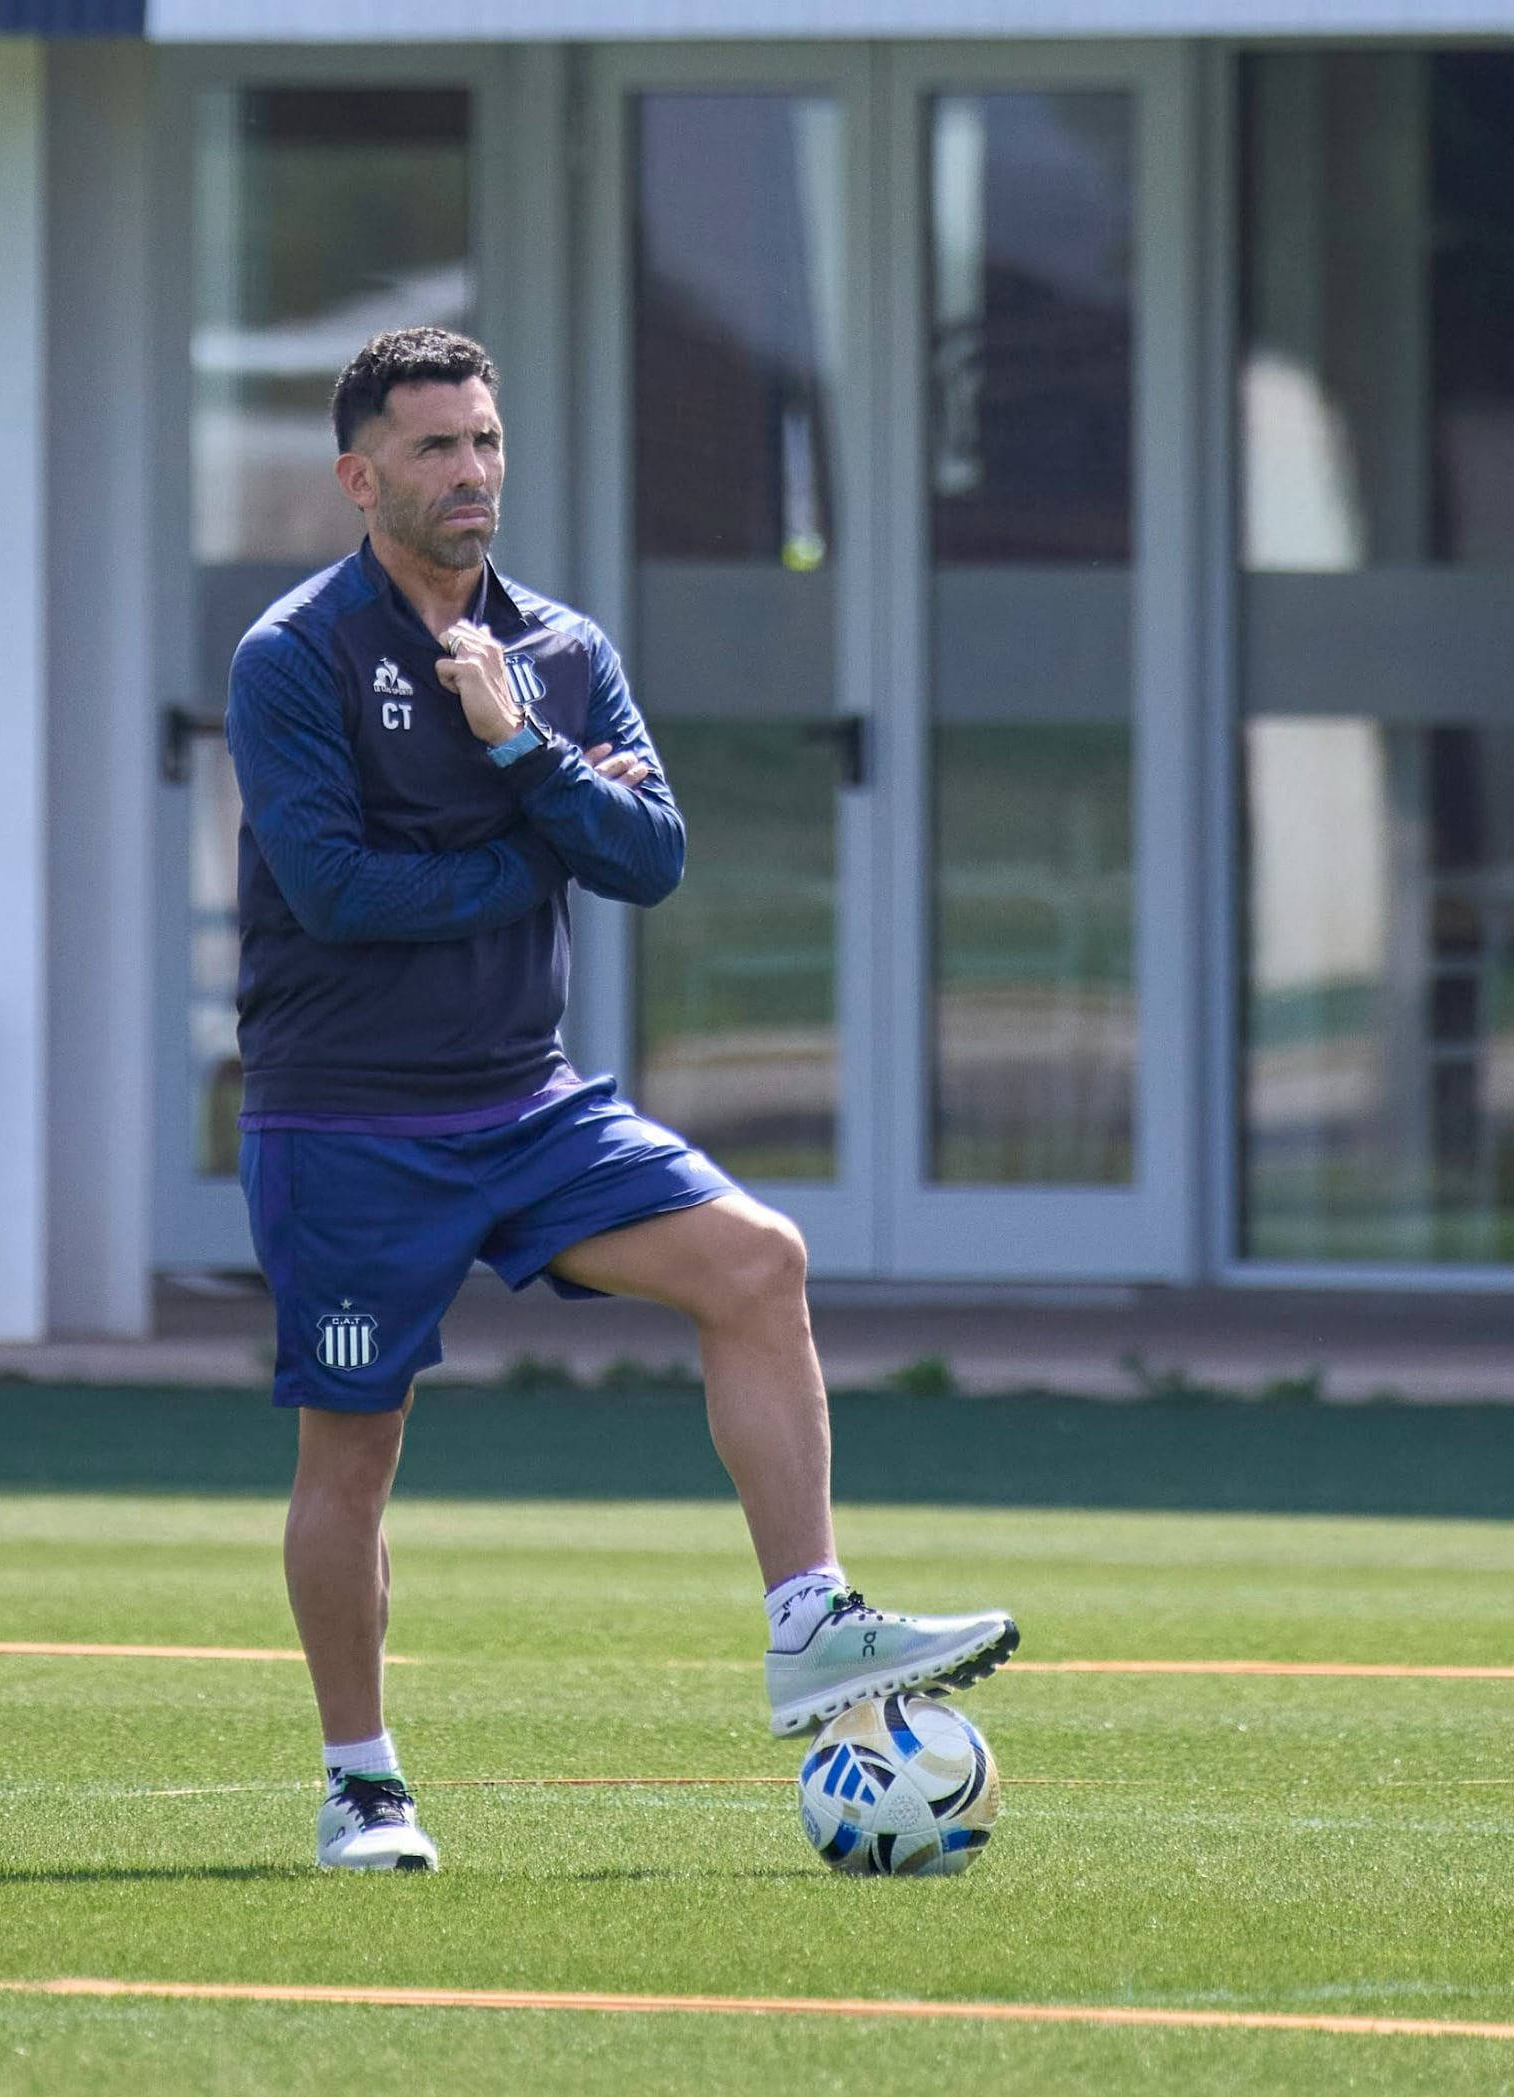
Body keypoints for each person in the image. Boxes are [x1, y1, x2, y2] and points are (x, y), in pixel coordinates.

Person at [226, 327, 1017, 1872]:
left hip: (530, 1106)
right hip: (346, 1128)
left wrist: (518, 742)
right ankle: (363, 1784)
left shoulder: (565, 653)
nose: (471, 473)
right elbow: (332, 893)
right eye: (436, 448)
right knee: (352, 1456)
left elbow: (649, 858)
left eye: (486, 442)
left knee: (758, 1261)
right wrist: (535, 847)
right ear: (358, 475)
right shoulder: (294, 655)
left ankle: (811, 1623)